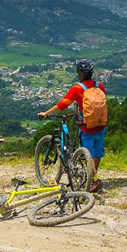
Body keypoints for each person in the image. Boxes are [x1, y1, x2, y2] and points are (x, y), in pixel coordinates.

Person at [39, 58, 108, 193]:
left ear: (79, 74)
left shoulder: (77, 89)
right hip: (100, 124)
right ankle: (90, 176)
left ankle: (94, 180)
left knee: (86, 153)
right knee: (97, 153)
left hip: (86, 125)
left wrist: (46, 113)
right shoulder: (100, 86)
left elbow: (62, 105)